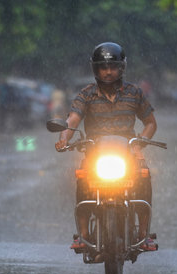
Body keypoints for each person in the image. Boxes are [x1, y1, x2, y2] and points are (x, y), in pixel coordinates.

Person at [55, 42, 158, 251]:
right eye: (103, 67)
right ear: (96, 69)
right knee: (82, 179)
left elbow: (150, 123)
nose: (108, 72)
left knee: (144, 176)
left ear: (122, 68)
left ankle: (143, 234)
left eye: (113, 67)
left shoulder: (134, 92)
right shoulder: (86, 94)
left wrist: (140, 144)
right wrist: (64, 137)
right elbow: (72, 120)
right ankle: (83, 235)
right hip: (95, 154)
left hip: (128, 153)